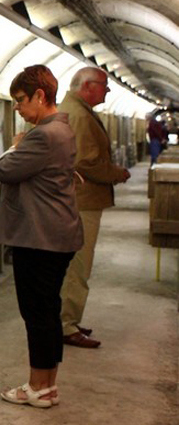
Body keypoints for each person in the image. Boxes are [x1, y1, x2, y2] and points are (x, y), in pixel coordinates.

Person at [0, 65, 83, 408]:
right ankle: (47, 385)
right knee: (48, 310)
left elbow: (3, 169)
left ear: (40, 96)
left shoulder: (43, 135)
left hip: (40, 238)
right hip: (56, 236)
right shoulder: (62, 130)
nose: (17, 108)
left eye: (20, 100)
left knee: (37, 313)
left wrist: (16, 146)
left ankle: (37, 387)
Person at [55, 67, 130, 348]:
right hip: (81, 201)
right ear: (87, 86)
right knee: (79, 264)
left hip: (75, 199)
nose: (107, 91)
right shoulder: (79, 115)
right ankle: (66, 325)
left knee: (73, 264)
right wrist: (115, 173)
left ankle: (66, 319)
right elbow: (85, 163)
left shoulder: (75, 109)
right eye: (104, 86)